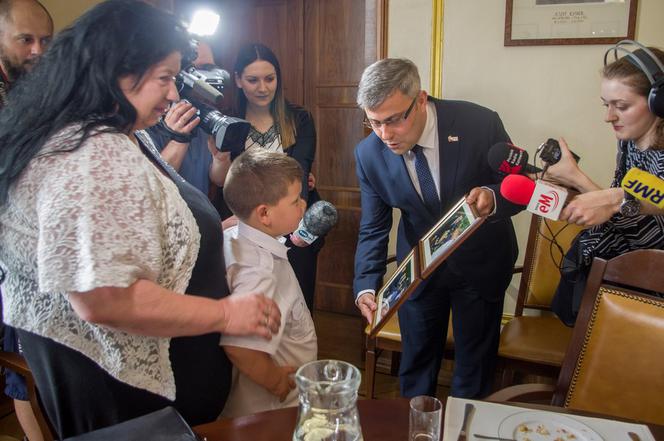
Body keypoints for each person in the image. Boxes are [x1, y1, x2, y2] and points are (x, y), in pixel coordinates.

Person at [0, 1, 281, 437]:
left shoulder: (110, 130)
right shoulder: (90, 153)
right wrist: (226, 314)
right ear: (115, 71)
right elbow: (103, 299)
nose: (173, 95)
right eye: (165, 78)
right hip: (122, 396)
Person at [353, 58, 520, 399]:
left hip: (480, 264)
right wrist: (366, 286)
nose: (385, 135)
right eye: (374, 123)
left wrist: (492, 197)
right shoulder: (368, 154)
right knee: (415, 366)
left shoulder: (479, 123)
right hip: (420, 269)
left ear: (421, 99)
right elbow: (373, 226)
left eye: (394, 120)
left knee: (474, 367)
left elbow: (518, 184)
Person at [546, 42, 664, 325]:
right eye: (606, 104)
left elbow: (649, 240)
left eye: (621, 106)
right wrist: (572, 182)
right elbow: (625, 211)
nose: (608, 116)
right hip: (622, 280)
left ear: (658, 102)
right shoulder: (630, 143)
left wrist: (584, 182)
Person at [219, 149, 317, 417]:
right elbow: (239, 347)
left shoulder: (237, 235)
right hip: (272, 408)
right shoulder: (261, 271)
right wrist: (275, 381)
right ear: (264, 214)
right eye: (295, 200)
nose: (303, 205)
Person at [231, 43, 323, 311]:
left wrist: (291, 226)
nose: (263, 88)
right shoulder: (229, 121)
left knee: (296, 307)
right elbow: (224, 180)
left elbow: (300, 171)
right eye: (253, 80)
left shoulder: (299, 119)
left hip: (294, 226)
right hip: (244, 229)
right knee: (252, 308)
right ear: (238, 80)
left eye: (270, 79)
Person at [0, 1, 52, 440]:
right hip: (10, 262)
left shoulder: (46, 94)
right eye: (25, 40)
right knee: (24, 371)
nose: (38, 51)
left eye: (45, 41)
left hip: (45, 257)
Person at [147, 40, 231, 197]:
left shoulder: (207, 113)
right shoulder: (148, 117)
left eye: (208, 68)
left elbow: (219, 180)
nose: (203, 76)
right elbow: (152, 188)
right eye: (192, 69)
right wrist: (179, 138)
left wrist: (221, 160)